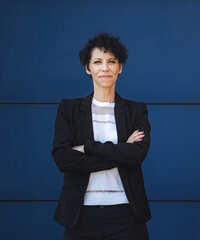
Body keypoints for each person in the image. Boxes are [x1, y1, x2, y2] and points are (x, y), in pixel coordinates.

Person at [52, 32, 151, 240]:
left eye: (111, 61)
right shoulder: (69, 109)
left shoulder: (136, 111)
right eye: (97, 61)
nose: (105, 67)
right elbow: (63, 158)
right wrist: (121, 151)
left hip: (127, 215)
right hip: (81, 216)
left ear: (120, 67)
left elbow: (137, 154)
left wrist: (87, 147)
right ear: (88, 68)